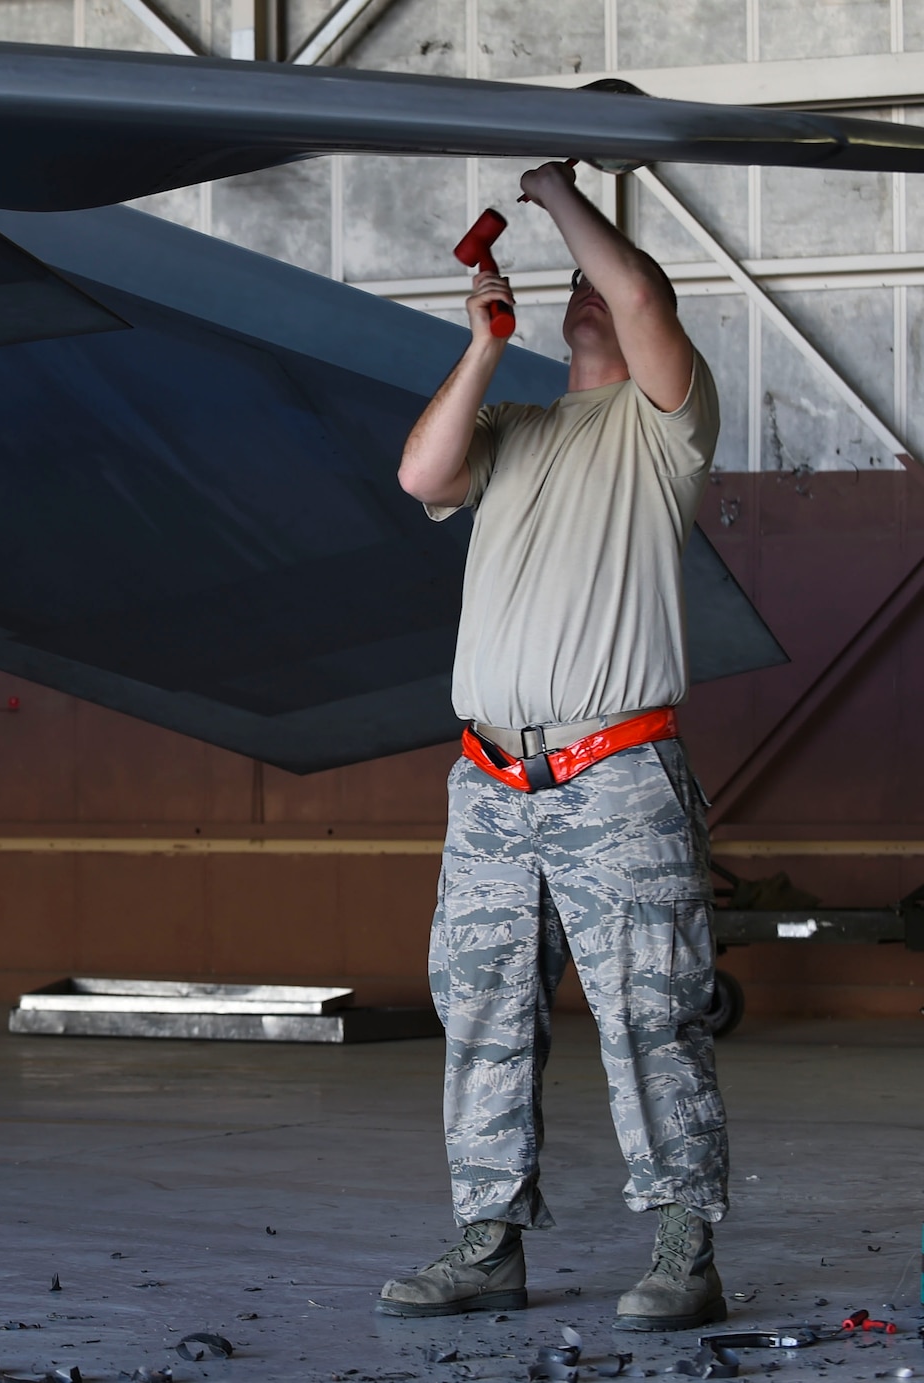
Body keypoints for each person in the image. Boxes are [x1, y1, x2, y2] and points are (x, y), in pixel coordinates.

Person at [375, 160, 728, 1333]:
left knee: (648, 1016)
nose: (587, 291)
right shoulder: (515, 428)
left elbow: (632, 295)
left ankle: (681, 1246)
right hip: (486, 781)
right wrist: (479, 341)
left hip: (614, 776)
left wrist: (554, 190)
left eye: (601, 283)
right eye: (571, 282)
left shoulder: (664, 426)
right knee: (478, 1011)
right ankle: (486, 1242)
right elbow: (418, 472)